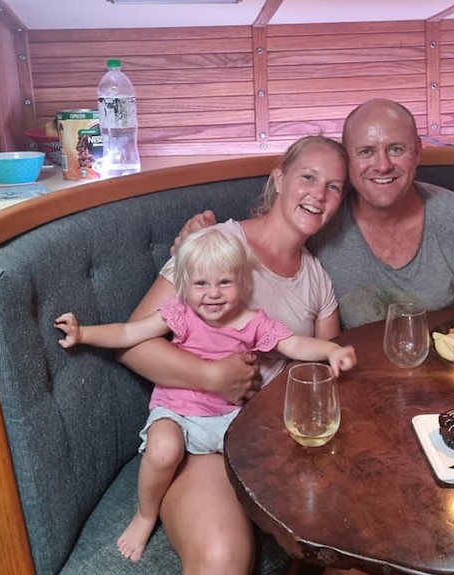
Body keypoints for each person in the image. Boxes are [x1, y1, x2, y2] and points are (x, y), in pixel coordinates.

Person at [116, 134, 350, 574]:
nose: (319, 193)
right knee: (222, 560)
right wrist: (210, 376)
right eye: (308, 177)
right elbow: (133, 343)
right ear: (279, 179)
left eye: (334, 186)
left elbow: (323, 378)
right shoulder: (214, 244)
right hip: (202, 440)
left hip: (276, 440)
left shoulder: (318, 280)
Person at [55, 226, 356, 562]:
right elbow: (129, 332)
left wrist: (330, 350)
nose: (212, 294)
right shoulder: (180, 313)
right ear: (185, 285)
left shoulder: (253, 322)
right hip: (178, 411)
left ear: (241, 282)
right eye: (201, 284)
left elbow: (296, 344)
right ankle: (144, 515)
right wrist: (83, 334)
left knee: (285, 457)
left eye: (224, 282)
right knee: (164, 448)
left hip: (229, 420)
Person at [180, 98, 454, 330]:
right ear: (349, 161)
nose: (383, 164)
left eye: (396, 149)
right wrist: (194, 242)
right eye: (366, 151)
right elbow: (270, 232)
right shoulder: (322, 217)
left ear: (418, 151)